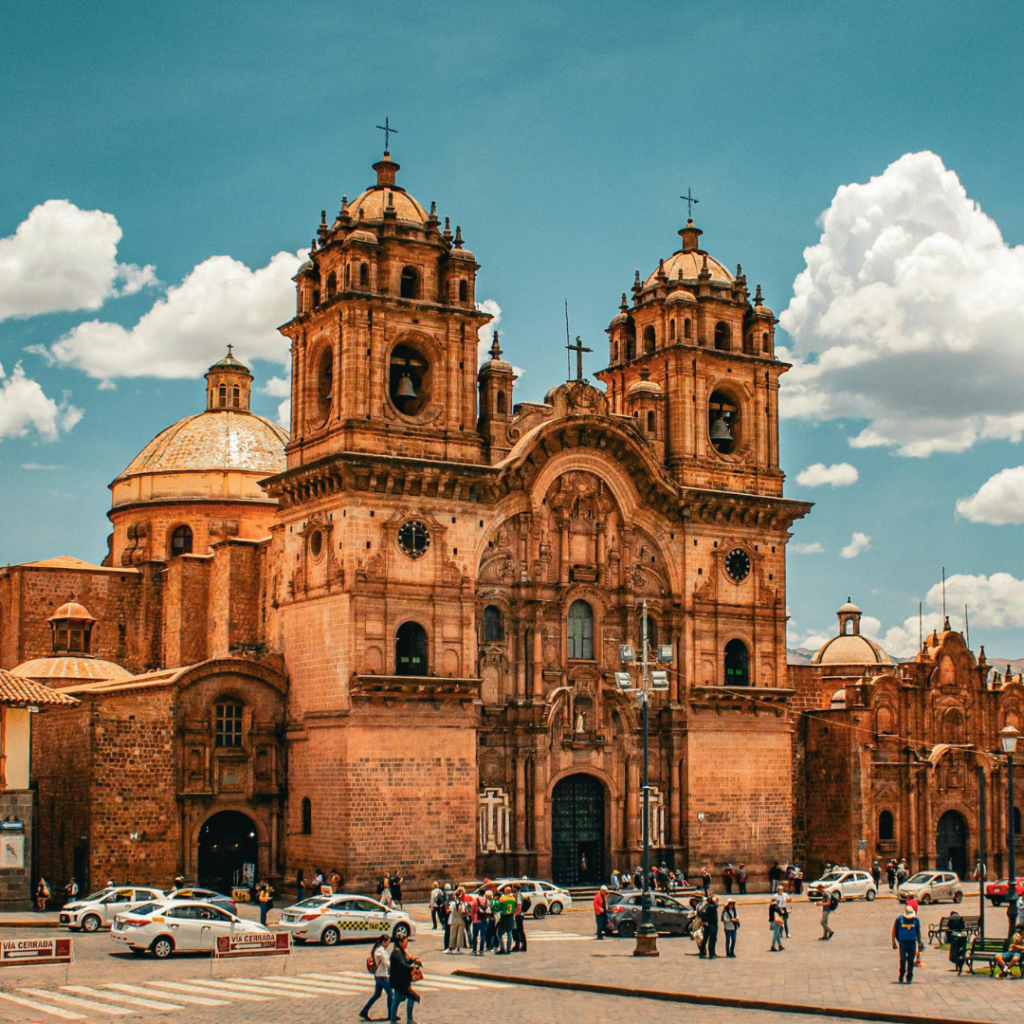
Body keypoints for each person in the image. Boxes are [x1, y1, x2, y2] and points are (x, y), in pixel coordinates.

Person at [388, 934, 421, 1024]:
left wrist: (412, 960)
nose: (406, 944)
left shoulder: (400, 951)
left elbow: (405, 961)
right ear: (400, 943)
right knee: (412, 997)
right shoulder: (397, 953)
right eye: (405, 942)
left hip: (399, 982)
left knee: (396, 1000)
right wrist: (412, 967)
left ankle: (393, 1020)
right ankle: (408, 1019)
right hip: (401, 982)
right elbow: (403, 965)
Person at [360, 934, 392, 1021]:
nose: (389, 944)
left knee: (377, 994)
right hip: (382, 975)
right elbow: (386, 963)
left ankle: (365, 1010)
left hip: (379, 975)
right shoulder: (380, 951)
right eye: (388, 942)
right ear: (383, 942)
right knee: (390, 994)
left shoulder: (378, 950)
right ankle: (391, 1014)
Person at [892, 904, 923, 983]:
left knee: (911, 960)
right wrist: (893, 942)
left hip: (912, 942)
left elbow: (918, 931)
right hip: (903, 942)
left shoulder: (916, 920)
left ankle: (909, 976)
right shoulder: (899, 919)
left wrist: (919, 942)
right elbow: (894, 930)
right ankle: (902, 974)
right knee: (903, 959)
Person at [946, 909, 968, 975]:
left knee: (955, 950)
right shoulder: (960, 918)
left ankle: (957, 966)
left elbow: (948, 927)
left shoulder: (951, 918)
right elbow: (963, 927)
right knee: (961, 952)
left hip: (955, 935)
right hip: (962, 936)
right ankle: (959, 966)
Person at [496, 885, 517, 953]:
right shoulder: (513, 898)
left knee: (498, 933)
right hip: (510, 916)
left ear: (505, 891)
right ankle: (508, 949)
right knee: (509, 933)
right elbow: (515, 906)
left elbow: (499, 908)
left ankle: (502, 948)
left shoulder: (502, 898)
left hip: (504, 917)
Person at [446, 887, 467, 954]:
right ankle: (458, 949)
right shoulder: (463, 903)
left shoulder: (452, 903)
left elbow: (448, 911)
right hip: (461, 918)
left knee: (453, 933)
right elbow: (465, 912)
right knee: (460, 934)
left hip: (454, 919)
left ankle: (450, 947)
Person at [701, 893, 720, 958]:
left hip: (712, 925)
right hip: (711, 925)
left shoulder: (708, 906)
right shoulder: (710, 906)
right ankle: (711, 954)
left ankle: (712, 952)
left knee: (712, 939)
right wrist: (714, 901)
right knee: (710, 940)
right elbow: (716, 905)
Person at [471, 890, 489, 955]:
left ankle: (474, 950)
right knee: (483, 936)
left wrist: (472, 917)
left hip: (476, 919)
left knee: (475, 935)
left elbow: (472, 909)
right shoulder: (487, 900)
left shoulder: (475, 900)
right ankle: (481, 950)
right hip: (484, 920)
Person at [513, 884, 529, 952]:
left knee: (520, 931)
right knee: (516, 931)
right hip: (519, 915)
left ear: (515, 888)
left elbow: (519, 906)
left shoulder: (518, 896)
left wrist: (514, 914)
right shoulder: (517, 895)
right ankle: (517, 945)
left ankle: (523, 946)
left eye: (513, 887)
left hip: (518, 915)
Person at [441, 883, 453, 950]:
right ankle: (447, 946)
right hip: (447, 918)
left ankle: (449, 945)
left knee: (449, 932)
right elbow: (447, 910)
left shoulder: (444, 895)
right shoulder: (447, 901)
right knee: (448, 932)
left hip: (447, 918)